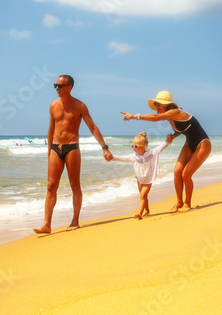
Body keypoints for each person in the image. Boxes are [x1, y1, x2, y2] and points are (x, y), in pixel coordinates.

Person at [34, 74, 112, 234]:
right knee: (51, 186)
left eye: (60, 86)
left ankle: (75, 220)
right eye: (55, 85)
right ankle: (46, 224)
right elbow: (50, 131)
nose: (57, 88)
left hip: (72, 148)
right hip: (56, 147)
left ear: (69, 87)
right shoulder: (53, 105)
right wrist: (49, 152)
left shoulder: (80, 106)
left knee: (74, 184)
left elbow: (92, 127)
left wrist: (104, 147)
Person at [120, 90, 211, 213]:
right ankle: (179, 202)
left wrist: (135, 116)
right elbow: (184, 128)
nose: (156, 107)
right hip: (190, 142)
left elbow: (157, 118)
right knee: (177, 171)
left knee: (186, 174)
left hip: (202, 143)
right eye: (156, 104)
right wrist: (174, 136)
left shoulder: (175, 112)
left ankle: (187, 203)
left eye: (159, 104)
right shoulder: (171, 117)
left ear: (167, 104)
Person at [110, 132, 173, 219]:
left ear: (144, 146)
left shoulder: (151, 153)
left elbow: (160, 147)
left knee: (142, 195)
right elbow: (124, 158)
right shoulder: (134, 156)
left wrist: (167, 141)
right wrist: (112, 157)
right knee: (143, 196)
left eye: (136, 146)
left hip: (148, 179)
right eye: (132, 146)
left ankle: (140, 212)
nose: (133, 148)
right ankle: (147, 210)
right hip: (139, 178)